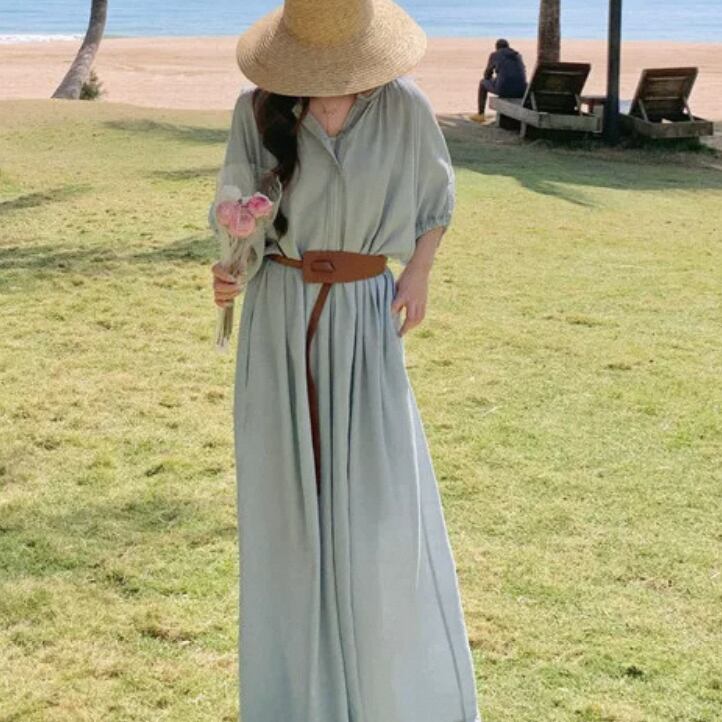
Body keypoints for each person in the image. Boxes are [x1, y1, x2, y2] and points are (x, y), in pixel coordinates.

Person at [208, 1, 482, 721]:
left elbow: (437, 198)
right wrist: (231, 267)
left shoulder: (403, 106)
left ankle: (393, 697)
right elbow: (236, 210)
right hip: (279, 321)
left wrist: (419, 271)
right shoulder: (257, 108)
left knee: (380, 516)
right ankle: (297, 702)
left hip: (364, 319)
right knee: (286, 517)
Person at [470, 38, 527, 123]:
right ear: (508, 46)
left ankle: (481, 114)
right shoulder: (518, 55)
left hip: (504, 89)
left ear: (497, 47)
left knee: (482, 83)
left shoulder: (495, 55)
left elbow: (487, 75)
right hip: (521, 90)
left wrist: (492, 78)